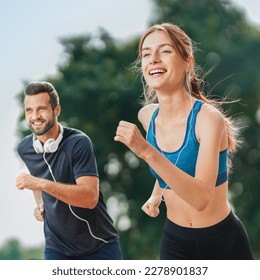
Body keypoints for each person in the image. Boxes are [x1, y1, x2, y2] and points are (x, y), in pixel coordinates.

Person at [114, 23, 253, 260]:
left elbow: (201, 199)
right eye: (146, 54)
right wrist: (157, 194)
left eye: (165, 51)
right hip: (175, 241)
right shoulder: (147, 116)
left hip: (223, 243)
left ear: (187, 62)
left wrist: (146, 151)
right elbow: (172, 162)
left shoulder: (208, 119)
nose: (154, 59)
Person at [16, 81, 122, 260]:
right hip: (56, 248)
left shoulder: (78, 143)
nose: (35, 116)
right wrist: (40, 206)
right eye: (29, 110)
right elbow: (36, 178)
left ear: (56, 110)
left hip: (98, 246)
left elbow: (89, 198)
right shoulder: (25, 148)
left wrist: (40, 183)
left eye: (41, 109)